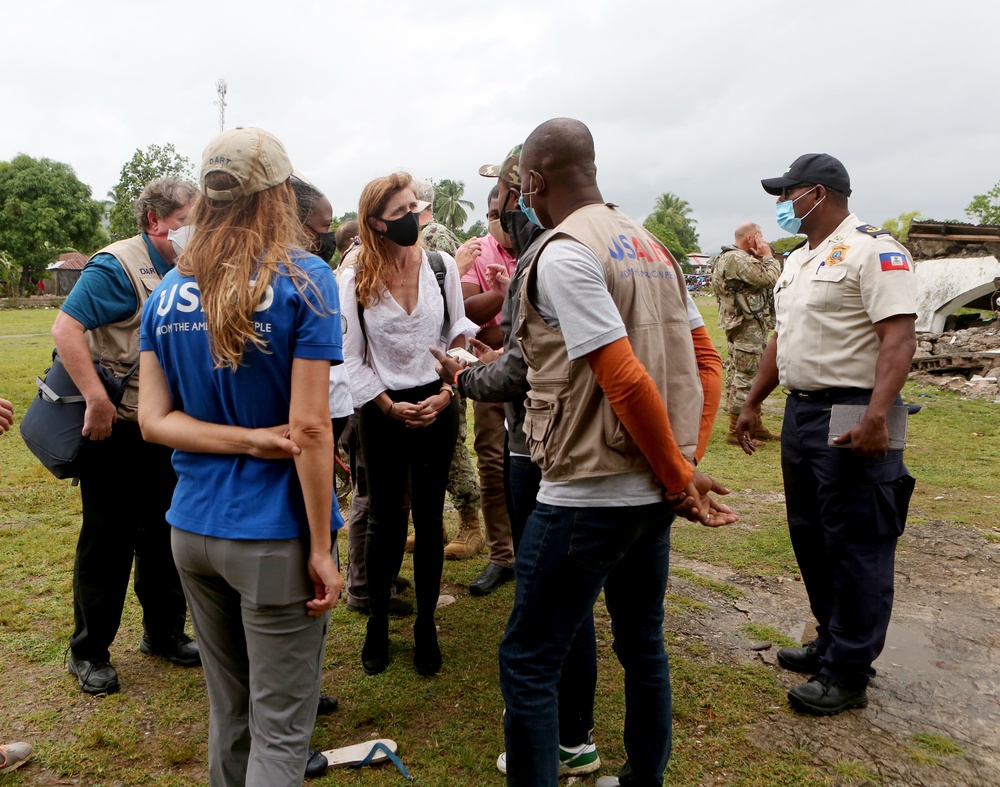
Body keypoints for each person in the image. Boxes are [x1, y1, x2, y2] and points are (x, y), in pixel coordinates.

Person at [496, 118, 736, 787]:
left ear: (535, 181)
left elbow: (624, 376)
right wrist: (679, 470)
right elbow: (707, 362)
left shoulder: (565, 252)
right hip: (650, 494)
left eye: (522, 188)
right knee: (643, 642)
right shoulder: (651, 245)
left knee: (528, 660)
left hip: (590, 489)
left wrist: (678, 472)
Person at [139, 127, 344, 785]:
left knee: (231, 713)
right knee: (282, 732)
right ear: (280, 193)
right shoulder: (304, 279)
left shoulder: (169, 288)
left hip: (191, 529)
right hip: (272, 534)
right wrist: (321, 545)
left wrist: (244, 440)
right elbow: (310, 427)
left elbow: (154, 420)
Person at [736, 153, 918, 716]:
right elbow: (780, 339)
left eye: (786, 195)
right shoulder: (797, 261)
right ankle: (831, 638)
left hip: (858, 409)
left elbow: (898, 338)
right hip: (804, 411)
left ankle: (849, 671)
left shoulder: (875, 249)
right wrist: (752, 402)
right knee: (811, 534)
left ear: (816, 193)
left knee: (858, 541)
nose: (782, 207)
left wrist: (876, 417)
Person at [51, 177, 199, 695]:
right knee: (107, 540)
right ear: (155, 221)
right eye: (185, 221)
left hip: (162, 427)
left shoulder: (188, 269)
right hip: (113, 427)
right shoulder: (116, 266)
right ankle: (88, 651)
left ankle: (163, 633)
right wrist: (96, 399)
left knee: (164, 535)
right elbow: (66, 329)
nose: (193, 231)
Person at [340, 172, 477, 676]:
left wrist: (447, 391)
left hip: (438, 402)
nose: (415, 217)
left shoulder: (440, 266)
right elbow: (350, 356)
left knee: (430, 513)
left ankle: (424, 625)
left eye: (417, 207)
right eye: (402, 212)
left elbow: (458, 334)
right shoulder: (355, 276)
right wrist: (388, 406)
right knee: (385, 520)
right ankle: (378, 621)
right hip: (382, 409)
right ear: (376, 222)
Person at [407, 177, 485, 560]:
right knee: (424, 448)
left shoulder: (435, 237)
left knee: (451, 442)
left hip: (441, 358)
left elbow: (450, 303)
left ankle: (471, 523)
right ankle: (431, 524)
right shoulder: (423, 235)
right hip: (420, 358)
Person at [459, 185, 518, 595]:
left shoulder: (543, 243)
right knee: (494, 463)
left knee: (537, 464)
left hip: (540, 371)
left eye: (509, 212)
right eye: (495, 213)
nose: (502, 220)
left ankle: (532, 549)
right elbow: (463, 309)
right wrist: (500, 294)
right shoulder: (479, 251)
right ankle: (503, 555)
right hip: (491, 368)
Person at [710, 222, 782, 444]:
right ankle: (736, 430)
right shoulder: (735, 258)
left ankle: (755, 424)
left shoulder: (737, 258)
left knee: (748, 372)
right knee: (747, 376)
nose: (763, 242)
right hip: (746, 326)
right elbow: (771, 279)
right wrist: (768, 256)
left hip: (747, 324)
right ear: (752, 238)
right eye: (760, 237)